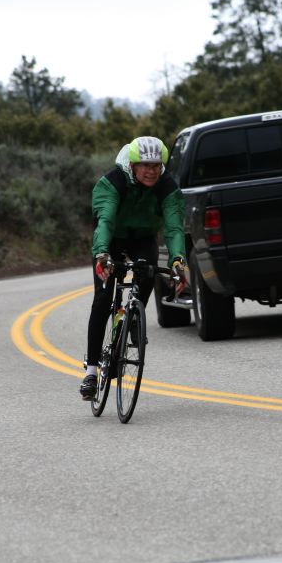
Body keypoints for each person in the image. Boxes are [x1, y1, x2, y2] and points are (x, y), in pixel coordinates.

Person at [80, 136, 188, 401]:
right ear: (132, 164)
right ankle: (92, 371)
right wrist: (101, 254)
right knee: (103, 298)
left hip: (143, 237)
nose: (151, 171)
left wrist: (178, 260)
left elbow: (174, 227)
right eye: (145, 165)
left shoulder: (167, 186)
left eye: (156, 165)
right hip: (112, 238)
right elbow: (104, 220)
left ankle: (134, 318)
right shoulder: (112, 182)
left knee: (149, 270)